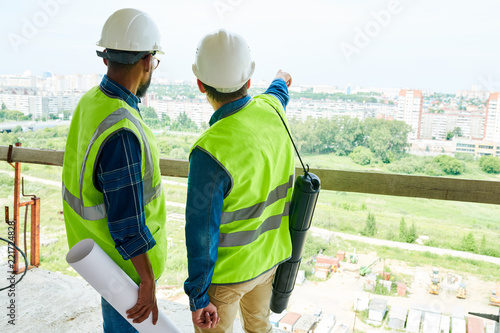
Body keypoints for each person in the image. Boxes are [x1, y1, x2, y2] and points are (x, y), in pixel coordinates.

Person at [62, 8, 167, 332]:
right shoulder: (122, 131)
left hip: (101, 259)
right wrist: (147, 281)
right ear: (147, 61)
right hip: (128, 275)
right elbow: (127, 225)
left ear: (106, 58)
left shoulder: (92, 101)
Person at [184, 29, 295, 333]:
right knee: (259, 327)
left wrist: (198, 296)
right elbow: (277, 92)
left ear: (200, 84)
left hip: (229, 276)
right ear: (248, 81)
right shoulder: (272, 111)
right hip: (269, 260)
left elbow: (201, 232)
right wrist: (279, 79)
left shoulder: (209, 151)